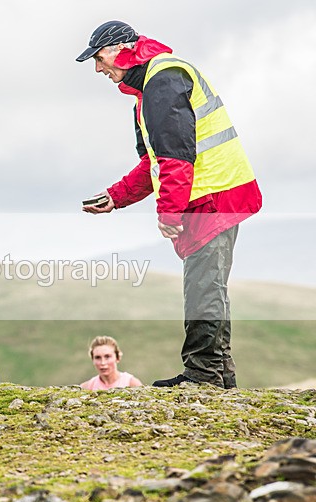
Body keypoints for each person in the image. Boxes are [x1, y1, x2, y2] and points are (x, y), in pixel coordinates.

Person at [76, 21, 262, 388]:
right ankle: (220, 376)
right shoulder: (148, 89)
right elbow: (155, 163)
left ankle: (203, 375)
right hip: (211, 194)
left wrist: (169, 212)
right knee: (209, 288)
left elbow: (176, 157)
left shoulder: (162, 80)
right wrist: (116, 196)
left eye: (98, 58)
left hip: (211, 196)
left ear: (121, 50)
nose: (98, 69)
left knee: (203, 289)